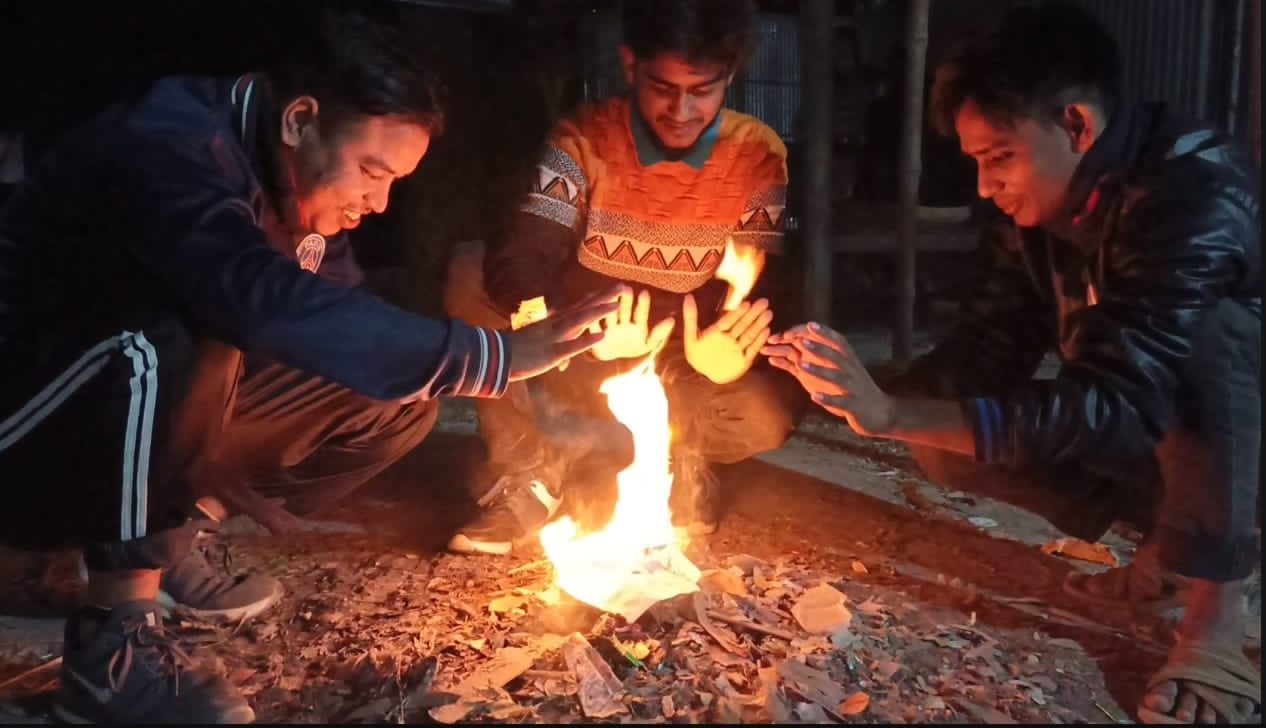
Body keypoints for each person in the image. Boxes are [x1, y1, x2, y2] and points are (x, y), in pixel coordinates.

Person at [0, 6, 621, 723]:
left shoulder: (291, 182)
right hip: (30, 416)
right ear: (301, 120)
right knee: (188, 332)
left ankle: (163, 539)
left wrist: (480, 372)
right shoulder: (173, 146)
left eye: (394, 182)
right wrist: (492, 353)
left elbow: (334, 322)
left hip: (126, 411)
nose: (378, 202)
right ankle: (112, 650)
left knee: (393, 399)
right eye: (371, 171)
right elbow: (255, 301)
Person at [764, 3, 1261, 724]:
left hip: (1243, 444)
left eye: (998, 157)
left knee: (1207, 340)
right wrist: (860, 390)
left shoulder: (1194, 195)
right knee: (942, 438)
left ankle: (1217, 610)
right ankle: (1169, 548)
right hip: (1146, 421)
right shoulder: (1044, 209)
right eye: (976, 161)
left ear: (1076, 124)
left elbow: (1122, 407)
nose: (983, 185)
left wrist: (894, 411)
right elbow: (991, 345)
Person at [442, 0, 809, 556]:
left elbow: (762, 289)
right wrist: (578, 331)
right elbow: (522, 256)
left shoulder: (756, 154)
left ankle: (676, 468)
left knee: (760, 413)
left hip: (682, 372)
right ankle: (528, 473)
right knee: (470, 270)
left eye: (702, 90)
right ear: (630, 64)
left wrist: (728, 354)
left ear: (729, 76)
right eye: (663, 87)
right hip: (581, 353)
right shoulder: (584, 139)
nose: (681, 110)